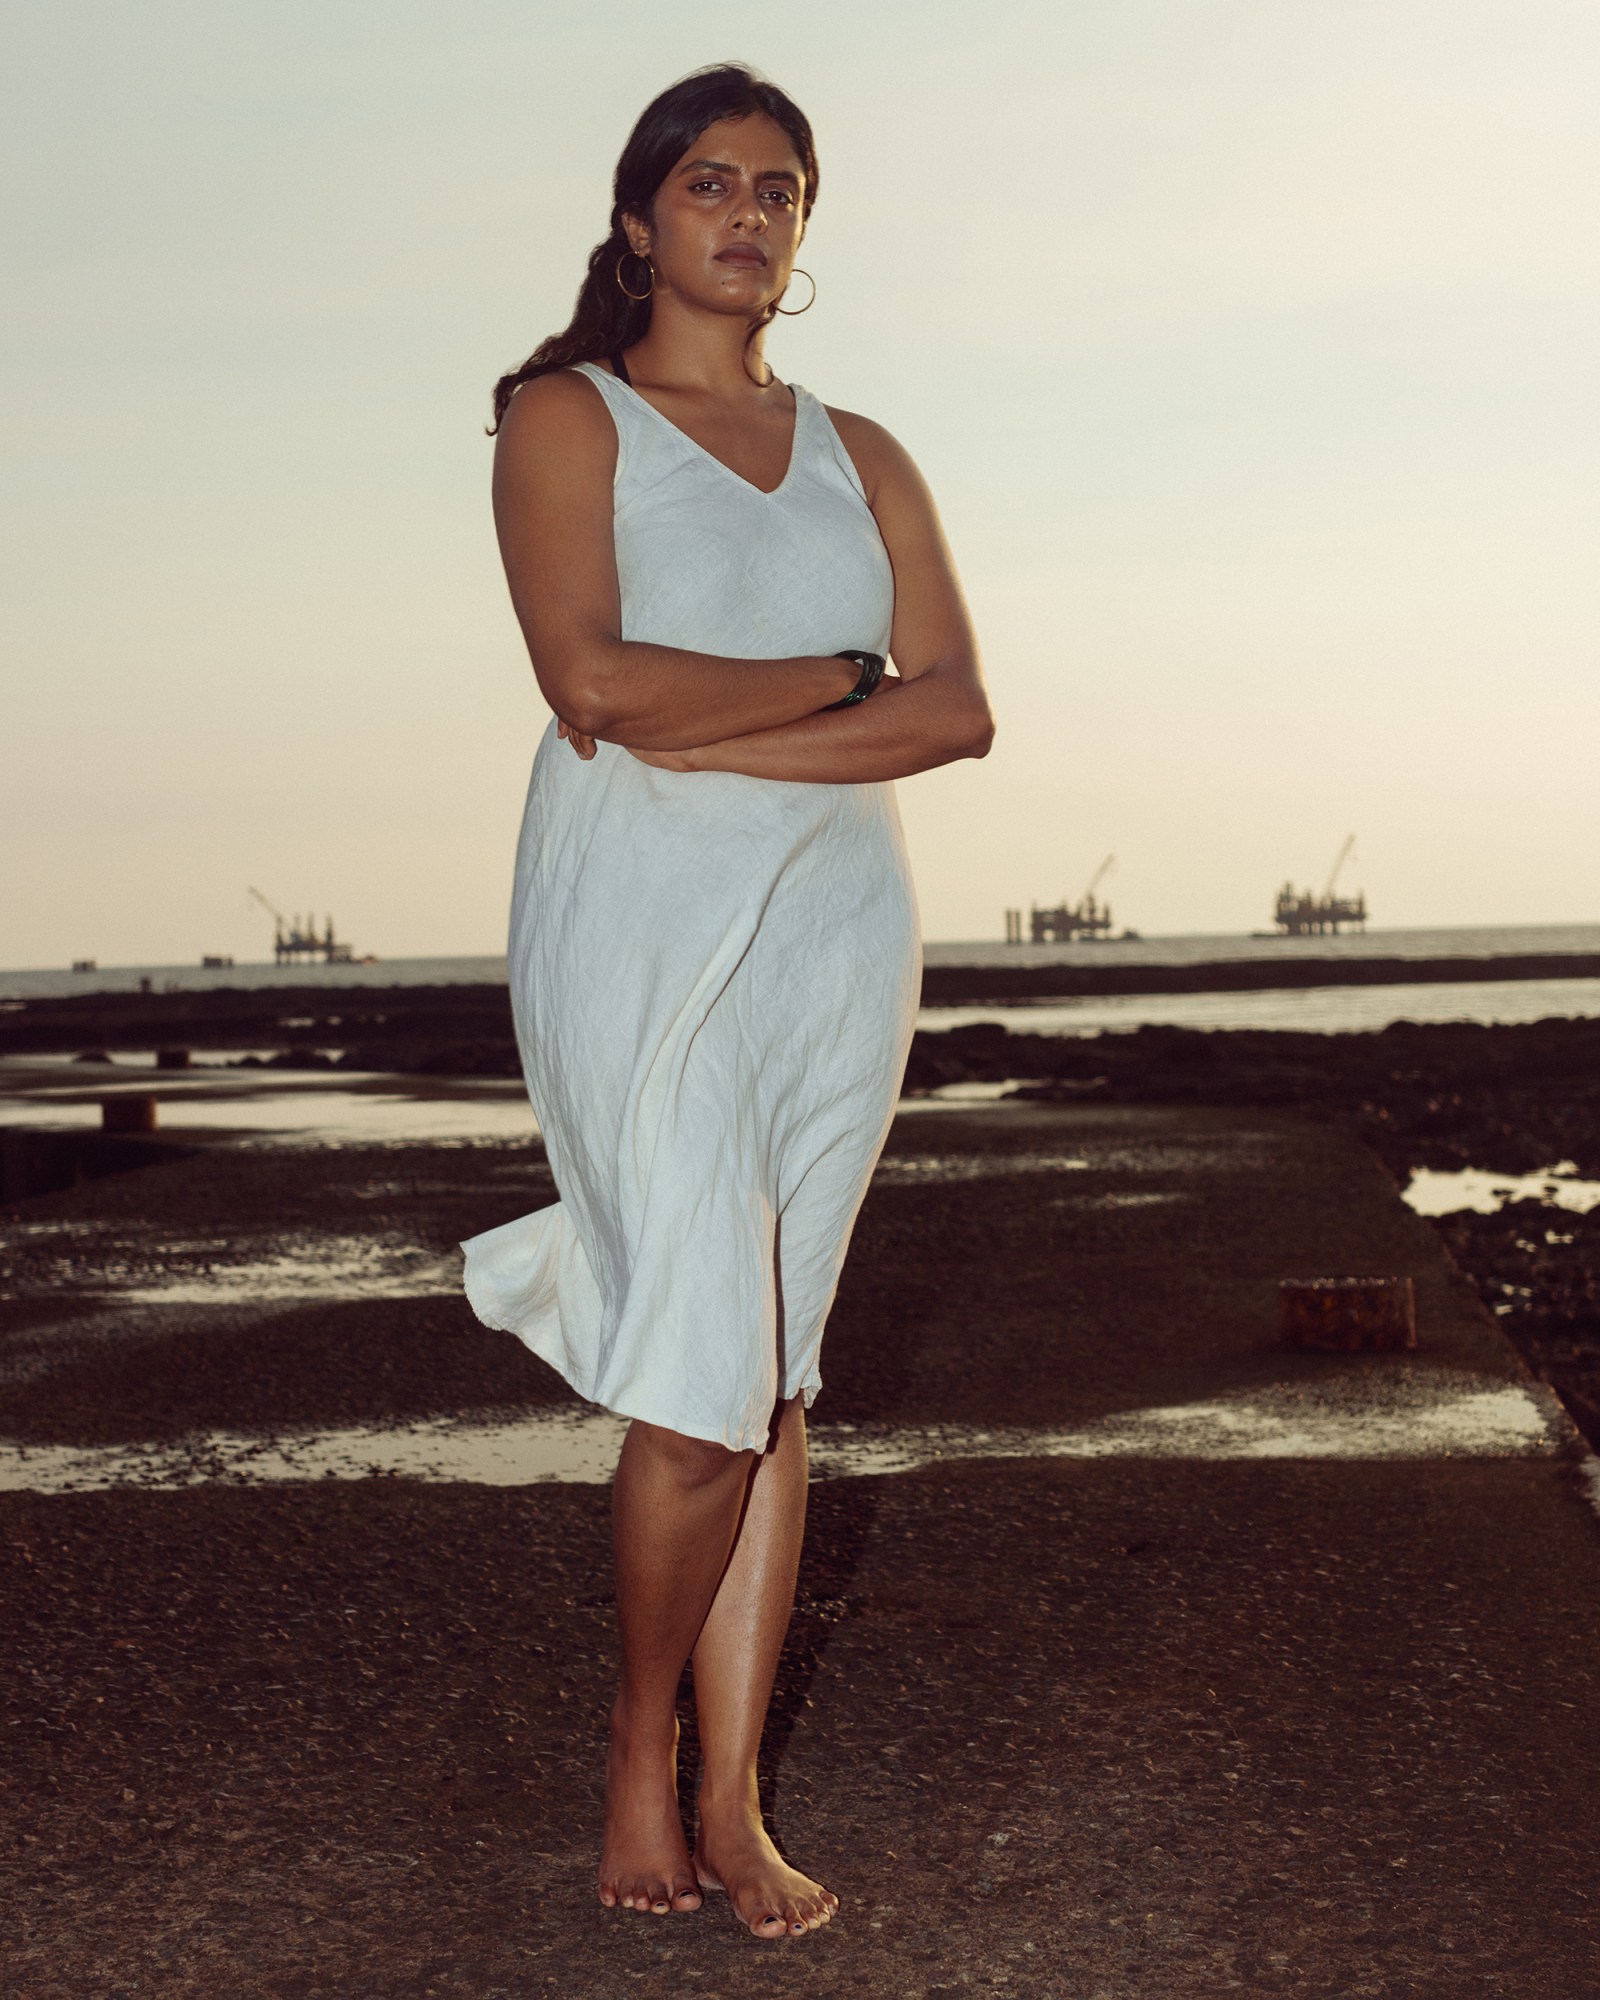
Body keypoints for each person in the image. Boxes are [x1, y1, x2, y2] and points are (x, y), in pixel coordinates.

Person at [461, 62, 993, 1941]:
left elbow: (963, 714)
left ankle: (734, 1795)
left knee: (769, 1372)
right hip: (635, 927)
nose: (748, 213)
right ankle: (632, 1743)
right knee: (698, 1372)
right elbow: (593, 688)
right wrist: (847, 678)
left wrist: (744, 710)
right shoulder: (567, 418)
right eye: (710, 182)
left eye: (782, 189)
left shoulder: (873, 454)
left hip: (840, 939)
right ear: (639, 223)